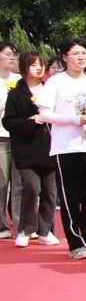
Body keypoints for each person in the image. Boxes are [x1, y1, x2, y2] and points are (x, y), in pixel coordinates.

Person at [36, 39, 86, 259]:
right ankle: (75, 242)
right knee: (71, 197)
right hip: (66, 147)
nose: (81, 57)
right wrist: (73, 119)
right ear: (65, 57)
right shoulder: (55, 82)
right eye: (75, 53)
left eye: (84, 52)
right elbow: (45, 113)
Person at [2, 51, 59, 247]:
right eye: (34, 65)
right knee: (31, 188)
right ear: (25, 68)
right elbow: (8, 122)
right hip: (27, 150)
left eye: (41, 64)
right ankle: (26, 229)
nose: (39, 68)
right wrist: (29, 121)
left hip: (50, 148)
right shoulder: (16, 94)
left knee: (50, 192)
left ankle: (45, 231)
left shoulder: (50, 90)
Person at [0, 41, 21, 238]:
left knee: (19, 182)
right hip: (1, 137)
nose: (12, 57)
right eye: (7, 54)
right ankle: (1, 225)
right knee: (2, 182)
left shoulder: (20, 79)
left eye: (14, 54)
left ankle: (21, 225)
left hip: (20, 136)